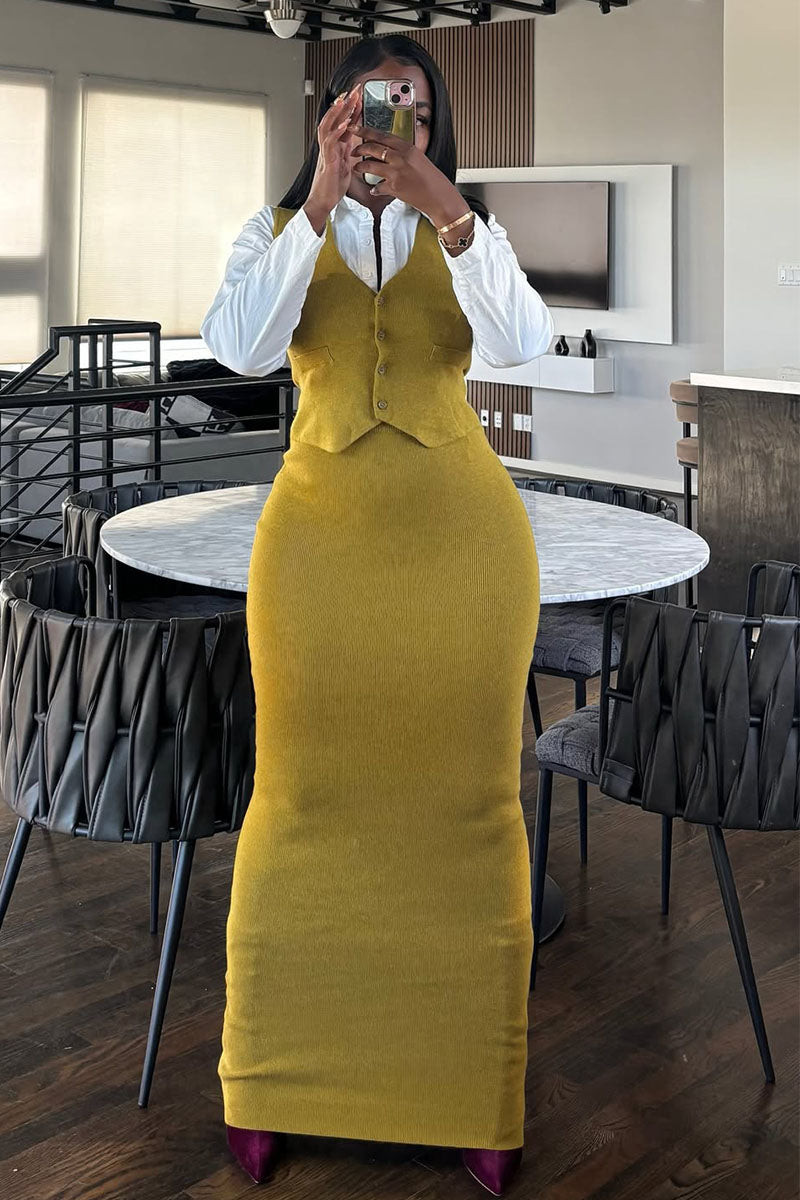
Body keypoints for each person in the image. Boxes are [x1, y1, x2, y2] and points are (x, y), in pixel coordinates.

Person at [200, 32, 553, 1198]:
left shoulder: (467, 229)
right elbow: (238, 349)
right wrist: (315, 202)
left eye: (412, 110)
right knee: (301, 797)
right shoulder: (276, 229)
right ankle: (273, 1081)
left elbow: (523, 344)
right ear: (331, 115)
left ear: (435, 127)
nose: (388, 128)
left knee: (466, 803)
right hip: (316, 549)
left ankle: (468, 1095)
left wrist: (442, 205)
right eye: (367, 105)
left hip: (463, 547)